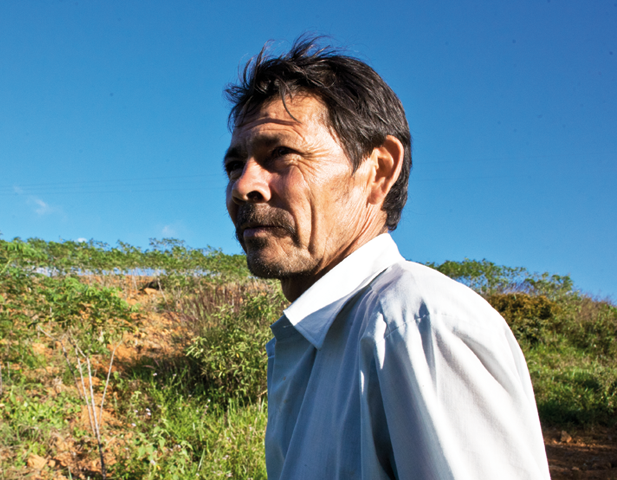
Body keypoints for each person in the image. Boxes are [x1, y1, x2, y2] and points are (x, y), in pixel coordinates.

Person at [223, 37, 551, 480]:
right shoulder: (315, 340)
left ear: (377, 171)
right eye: (234, 166)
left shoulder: (417, 325)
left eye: (281, 154)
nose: (244, 186)